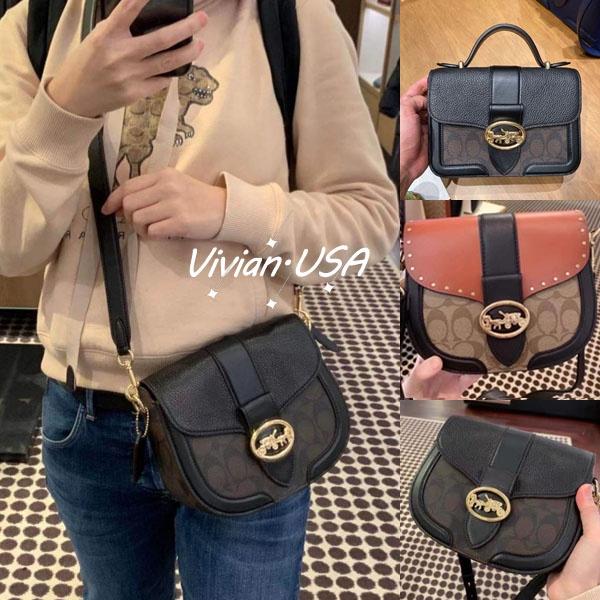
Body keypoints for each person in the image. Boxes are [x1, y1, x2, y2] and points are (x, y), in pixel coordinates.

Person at [0, 1, 399, 598]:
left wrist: (229, 210)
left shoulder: (294, 18)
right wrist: (67, 107)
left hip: (248, 405)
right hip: (88, 417)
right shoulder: (34, 25)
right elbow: (10, 250)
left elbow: (368, 225)